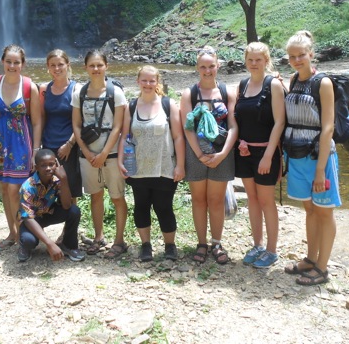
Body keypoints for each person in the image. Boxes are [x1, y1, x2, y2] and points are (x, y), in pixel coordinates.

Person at [283, 30, 341, 285]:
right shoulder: (294, 79)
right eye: (292, 56)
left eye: (301, 55)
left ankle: (322, 268)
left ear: (311, 55)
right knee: (309, 209)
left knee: (324, 211)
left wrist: (320, 170)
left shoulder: (324, 83)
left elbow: (328, 127)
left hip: (320, 157)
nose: (297, 60)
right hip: (297, 154)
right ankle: (310, 257)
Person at [118, 65, 185, 262]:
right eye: (144, 80)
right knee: (141, 206)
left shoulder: (168, 104)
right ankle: (145, 246)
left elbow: (178, 137)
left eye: (152, 80)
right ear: (138, 81)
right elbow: (124, 136)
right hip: (138, 167)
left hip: (164, 166)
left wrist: (180, 165)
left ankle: (170, 246)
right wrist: (121, 161)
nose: (148, 84)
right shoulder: (131, 106)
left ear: (157, 82)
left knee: (164, 207)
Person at [180, 46, 238, 265]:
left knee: (215, 200)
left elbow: (233, 126)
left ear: (218, 66)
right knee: (198, 200)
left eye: (211, 66)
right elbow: (187, 128)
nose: (207, 71)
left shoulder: (226, 92)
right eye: (203, 67)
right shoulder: (189, 94)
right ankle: (201, 243)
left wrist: (223, 153)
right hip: (196, 154)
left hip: (221, 153)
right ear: (197, 68)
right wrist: (199, 154)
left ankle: (216, 242)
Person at [72, 50, 128, 259]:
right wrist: (86, 151)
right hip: (87, 154)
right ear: (85, 67)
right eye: (92, 65)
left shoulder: (116, 93)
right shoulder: (80, 93)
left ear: (106, 66)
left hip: (111, 153)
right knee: (95, 196)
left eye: (99, 65)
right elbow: (76, 125)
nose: (96, 69)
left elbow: (118, 127)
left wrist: (104, 153)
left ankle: (119, 240)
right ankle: (98, 237)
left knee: (117, 197)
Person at [234, 42, 285, 268]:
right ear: (246, 61)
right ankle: (258, 244)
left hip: (266, 151)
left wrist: (268, 155)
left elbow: (279, 122)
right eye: (250, 60)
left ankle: (272, 250)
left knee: (266, 201)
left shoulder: (273, 85)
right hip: (245, 151)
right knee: (252, 200)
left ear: (266, 61)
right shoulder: (242, 85)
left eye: (258, 60)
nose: (254, 64)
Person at [0, 44, 41, 251]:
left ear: (23, 64)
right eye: (8, 61)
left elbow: (36, 121)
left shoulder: (29, 87)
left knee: (14, 189)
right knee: (4, 187)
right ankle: (12, 232)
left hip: (21, 141)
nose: (12, 65)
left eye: (16, 62)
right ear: (2, 62)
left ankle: (22, 233)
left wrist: (36, 151)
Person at [17, 149, 86, 263]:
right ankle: (24, 247)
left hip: (49, 213)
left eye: (51, 164)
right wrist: (50, 244)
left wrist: (64, 180)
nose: (48, 168)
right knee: (29, 241)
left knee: (74, 211)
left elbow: (67, 205)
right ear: (37, 167)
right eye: (43, 165)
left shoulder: (58, 180)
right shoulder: (28, 187)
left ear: (56, 164)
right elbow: (28, 218)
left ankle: (69, 245)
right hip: (32, 220)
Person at [38, 49, 82, 202]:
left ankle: (70, 225)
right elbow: (42, 118)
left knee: (70, 191)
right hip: (48, 147)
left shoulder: (76, 89)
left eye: (60, 64)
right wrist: (38, 147)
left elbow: (80, 121)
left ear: (68, 65)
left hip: (69, 148)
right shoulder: (44, 89)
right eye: (53, 65)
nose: (57, 69)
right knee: (48, 190)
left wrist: (69, 144)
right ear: (48, 67)